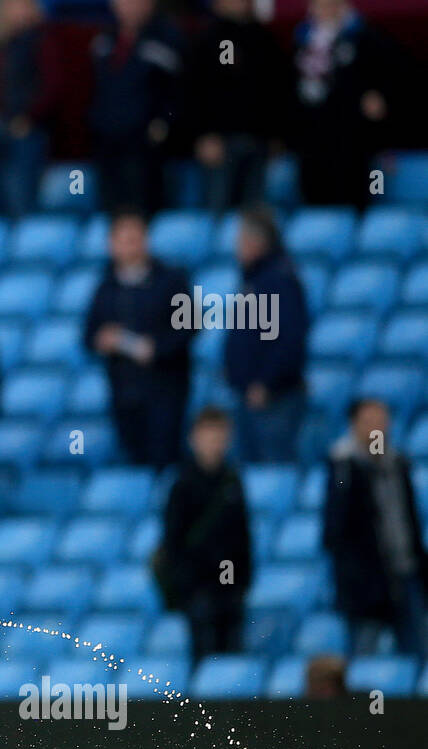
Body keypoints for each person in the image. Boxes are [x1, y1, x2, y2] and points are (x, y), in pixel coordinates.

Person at [84, 209, 192, 470]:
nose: (129, 246)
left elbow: (189, 327)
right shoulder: (105, 287)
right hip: (124, 391)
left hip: (165, 388)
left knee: (164, 458)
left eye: (135, 238)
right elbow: (88, 335)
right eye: (123, 239)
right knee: (133, 460)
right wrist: (102, 340)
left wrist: (156, 349)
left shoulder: (171, 280)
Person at [322, 399, 428, 659]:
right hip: (365, 584)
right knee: (363, 655)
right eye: (369, 421)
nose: (377, 428)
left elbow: (410, 521)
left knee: (416, 654)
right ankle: (363, 702)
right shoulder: (344, 468)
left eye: (381, 420)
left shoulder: (398, 465)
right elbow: (334, 531)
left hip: (405, 573)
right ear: (354, 425)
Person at [156, 408, 253, 662]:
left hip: (230, 587)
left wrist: (242, 581)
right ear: (194, 439)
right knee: (204, 650)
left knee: (232, 653)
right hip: (198, 587)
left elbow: (243, 535)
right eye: (209, 436)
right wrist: (188, 584)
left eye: (219, 436)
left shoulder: (232, 480)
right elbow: (173, 539)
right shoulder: (182, 485)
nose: (214, 443)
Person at [290, 0, 396, 208]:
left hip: (350, 138)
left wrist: (377, 95)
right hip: (312, 139)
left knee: (351, 197)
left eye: (330, 5)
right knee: (314, 201)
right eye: (319, 5)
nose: (325, 11)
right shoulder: (302, 39)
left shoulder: (364, 35)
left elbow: (389, 77)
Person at [225, 206, 309, 462]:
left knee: (273, 469)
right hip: (249, 394)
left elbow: (290, 338)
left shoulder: (278, 280)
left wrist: (266, 382)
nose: (236, 246)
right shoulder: (255, 279)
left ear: (257, 242)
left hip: (274, 398)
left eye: (241, 239)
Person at [187, 0, 288, 211]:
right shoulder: (208, 38)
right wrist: (204, 134)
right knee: (219, 211)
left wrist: (277, 135)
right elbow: (195, 90)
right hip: (221, 144)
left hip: (258, 142)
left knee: (255, 214)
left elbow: (277, 89)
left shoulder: (264, 38)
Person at [87, 0, 184, 214]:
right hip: (107, 139)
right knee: (109, 209)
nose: (129, 6)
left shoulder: (167, 38)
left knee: (141, 209)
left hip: (144, 143)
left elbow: (178, 91)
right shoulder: (104, 40)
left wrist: (163, 123)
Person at [0, 0, 62, 218]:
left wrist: (28, 118)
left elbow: (53, 87)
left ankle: (24, 249)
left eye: (22, 4)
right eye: (11, 5)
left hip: (23, 132)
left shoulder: (44, 40)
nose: (17, 10)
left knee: (18, 200)